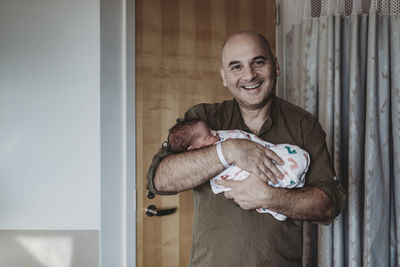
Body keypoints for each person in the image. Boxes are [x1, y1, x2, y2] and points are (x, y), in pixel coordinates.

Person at [147, 31, 346, 266]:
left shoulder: (303, 125)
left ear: (276, 66)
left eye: (258, 62)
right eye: (236, 67)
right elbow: (160, 180)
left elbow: (328, 205)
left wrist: (270, 197)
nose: (250, 75)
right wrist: (229, 151)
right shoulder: (203, 120)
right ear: (224, 76)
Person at [167, 118, 310, 221]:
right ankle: (287, 179)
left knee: (288, 158)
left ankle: (290, 176)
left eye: (212, 130)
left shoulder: (221, 137)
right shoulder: (204, 166)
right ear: (194, 149)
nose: (216, 133)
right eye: (209, 135)